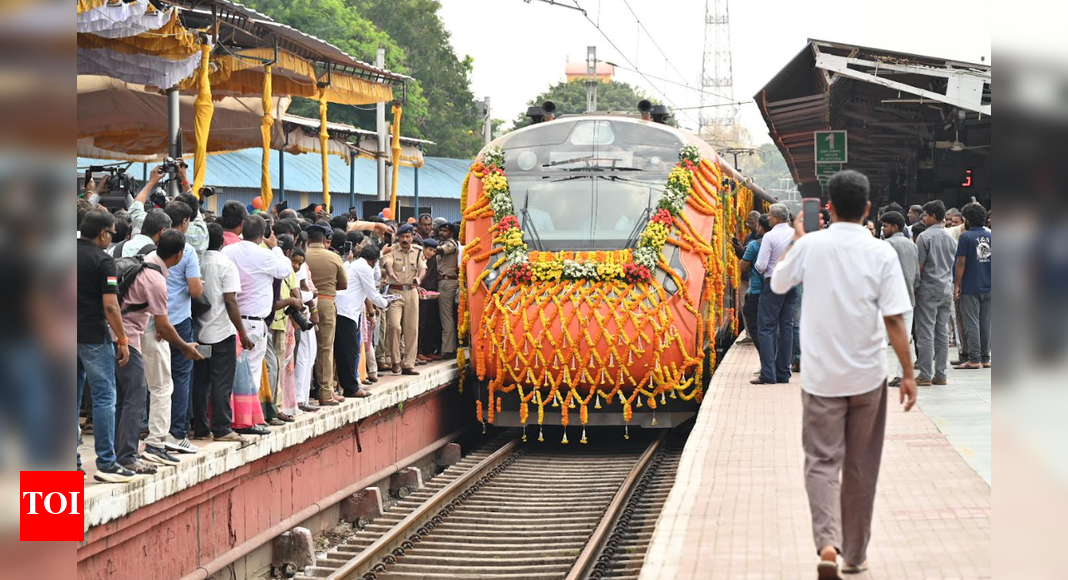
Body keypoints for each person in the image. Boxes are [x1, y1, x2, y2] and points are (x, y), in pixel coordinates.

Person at [769, 170, 917, 579]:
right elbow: (893, 320)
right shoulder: (881, 252)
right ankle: (854, 555)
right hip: (868, 377)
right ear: (867, 209)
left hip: (820, 379)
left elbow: (779, 283)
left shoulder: (811, 246)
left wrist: (799, 239)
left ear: (828, 207)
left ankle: (827, 545)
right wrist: (907, 372)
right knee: (860, 466)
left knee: (821, 461)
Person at [137, 230, 205, 467]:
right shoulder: (157, 278)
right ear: (178, 255)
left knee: (137, 389)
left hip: (135, 332)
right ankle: (158, 442)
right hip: (152, 332)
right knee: (163, 387)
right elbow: (163, 325)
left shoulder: (145, 262)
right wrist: (184, 346)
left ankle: (128, 449)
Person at [77, 209, 136, 483]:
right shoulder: (103, 261)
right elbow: (111, 305)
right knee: (104, 398)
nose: (111, 238)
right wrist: (122, 339)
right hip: (92, 336)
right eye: (111, 233)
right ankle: (107, 463)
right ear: (103, 234)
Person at [222, 215, 293, 435]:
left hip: (230, 319)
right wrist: (276, 248)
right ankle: (246, 421)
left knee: (229, 372)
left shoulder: (228, 251)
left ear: (242, 228)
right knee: (251, 371)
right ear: (264, 234)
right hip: (253, 323)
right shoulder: (265, 255)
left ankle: (230, 418)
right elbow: (284, 270)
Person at [193, 223, 252, 444]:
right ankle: (221, 427)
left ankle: (200, 427)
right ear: (221, 242)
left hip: (198, 331)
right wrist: (242, 333)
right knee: (221, 382)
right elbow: (230, 300)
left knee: (201, 381)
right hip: (222, 332)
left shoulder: (195, 262)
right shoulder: (225, 264)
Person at [161, 201, 204, 455]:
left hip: (155, 320)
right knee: (180, 376)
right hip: (179, 320)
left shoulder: (153, 246)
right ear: (185, 221)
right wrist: (202, 284)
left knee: (156, 379)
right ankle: (176, 433)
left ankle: (153, 428)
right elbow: (195, 290)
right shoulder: (186, 251)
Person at [753, 203, 798, 384]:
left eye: (770, 215)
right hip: (792, 284)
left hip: (773, 284)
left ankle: (768, 374)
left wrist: (758, 268)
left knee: (766, 328)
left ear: (777, 218)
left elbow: (761, 265)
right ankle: (783, 373)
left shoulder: (770, 237)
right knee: (786, 327)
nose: (768, 218)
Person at [337, 245, 390, 396]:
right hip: (346, 312)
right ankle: (350, 388)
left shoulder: (354, 264)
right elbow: (372, 294)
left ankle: (347, 384)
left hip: (345, 310)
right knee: (350, 351)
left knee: (345, 351)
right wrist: (386, 303)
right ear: (373, 260)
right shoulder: (365, 268)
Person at [914, 200, 957, 387]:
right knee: (942, 333)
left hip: (928, 289)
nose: (923, 218)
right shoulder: (950, 238)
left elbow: (920, 267)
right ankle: (940, 374)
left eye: (925, 215)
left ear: (933, 216)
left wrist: (915, 287)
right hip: (946, 289)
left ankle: (925, 374)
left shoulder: (924, 237)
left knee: (925, 333)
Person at [305, 224, 348, 405]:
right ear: (324, 240)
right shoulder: (333, 257)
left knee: (304, 350)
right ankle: (325, 391)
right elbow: (343, 284)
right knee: (325, 347)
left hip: (303, 303)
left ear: (307, 240)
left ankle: (305, 391)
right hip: (325, 301)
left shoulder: (303, 255)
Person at [381, 224, 426, 375]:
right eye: (402, 237)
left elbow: (422, 269)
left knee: (411, 329)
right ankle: (395, 361)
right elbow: (387, 263)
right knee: (394, 326)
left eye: (408, 237)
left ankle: (408, 363)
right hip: (395, 292)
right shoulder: (391, 249)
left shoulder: (418, 251)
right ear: (398, 237)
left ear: (412, 237)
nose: (405, 240)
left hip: (411, 291)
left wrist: (418, 279)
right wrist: (390, 271)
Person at [881, 211, 919, 386]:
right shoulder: (912, 245)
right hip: (908, 297)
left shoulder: (886, 245)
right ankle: (901, 374)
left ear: (894, 227)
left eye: (885, 226)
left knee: (882, 339)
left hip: (889, 299)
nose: (883, 229)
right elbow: (917, 274)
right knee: (904, 338)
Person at [954, 202, 992, 369]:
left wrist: (957, 285)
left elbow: (961, 263)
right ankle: (985, 358)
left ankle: (974, 358)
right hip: (990, 285)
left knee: (971, 323)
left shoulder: (966, 237)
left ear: (967, 219)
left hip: (970, 286)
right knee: (985, 322)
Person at [737, 214, 769, 349]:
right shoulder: (785, 242)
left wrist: (743, 253)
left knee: (752, 317)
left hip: (757, 289)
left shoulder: (754, 245)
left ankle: (765, 356)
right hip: (776, 288)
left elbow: (744, 265)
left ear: (760, 226)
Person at [435, 222, 461, 358]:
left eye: (445, 231)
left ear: (451, 233)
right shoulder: (445, 242)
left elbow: (441, 250)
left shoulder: (451, 244)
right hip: (446, 281)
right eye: (441, 231)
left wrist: (429, 246)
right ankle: (447, 347)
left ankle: (448, 349)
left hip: (447, 282)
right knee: (446, 316)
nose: (441, 233)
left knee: (446, 316)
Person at [417, 238, 441, 364]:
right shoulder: (419, 258)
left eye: (434, 251)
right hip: (421, 293)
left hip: (431, 293)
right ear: (424, 248)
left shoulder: (433, 260)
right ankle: (419, 351)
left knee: (429, 322)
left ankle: (427, 350)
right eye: (430, 250)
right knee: (421, 322)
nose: (431, 253)